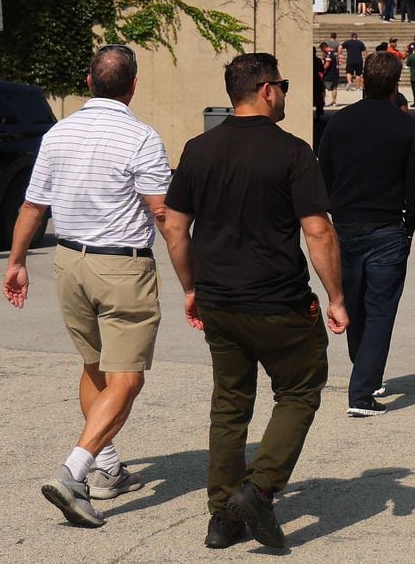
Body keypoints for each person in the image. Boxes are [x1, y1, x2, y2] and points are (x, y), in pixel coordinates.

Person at [162, 53, 348, 550]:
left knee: (229, 406)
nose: (285, 92)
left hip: (220, 300)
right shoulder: (293, 152)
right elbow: (318, 230)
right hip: (279, 301)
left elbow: (175, 227)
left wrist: (191, 287)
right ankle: (259, 489)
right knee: (301, 390)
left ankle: (222, 518)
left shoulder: (198, 150)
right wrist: (336, 296)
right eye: (283, 85)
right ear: (267, 90)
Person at [2, 45, 174, 529]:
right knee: (129, 377)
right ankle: (74, 472)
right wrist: (191, 277)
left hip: (68, 262)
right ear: (133, 84)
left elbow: (33, 207)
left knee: (94, 365)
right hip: (121, 266)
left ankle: (109, 467)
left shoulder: (58, 133)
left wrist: (17, 262)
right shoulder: (141, 137)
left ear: (88, 81)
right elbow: (162, 213)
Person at [317, 50, 415, 418]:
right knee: (381, 309)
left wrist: (335, 207)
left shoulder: (339, 123)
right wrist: (409, 222)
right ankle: (363, 390)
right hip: (387, 226)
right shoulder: (406, 126)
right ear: (396, 85)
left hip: (346, 224)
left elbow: (325, 171)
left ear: (362, 80)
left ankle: (364, 367)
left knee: (354, 300)